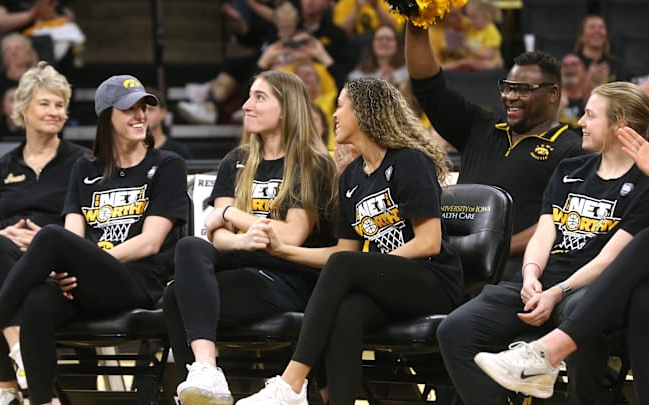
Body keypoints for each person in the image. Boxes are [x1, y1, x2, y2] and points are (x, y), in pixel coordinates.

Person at [0, 73, 188, 405]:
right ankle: (41, 400)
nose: (140, 116)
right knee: (36, 298)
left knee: (50, 237)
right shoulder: (86, 169)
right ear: (107, 117)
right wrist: (66, 267)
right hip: (86, 282)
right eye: (129, 109)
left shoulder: (167, 164)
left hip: (137, 282)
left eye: (144, 108)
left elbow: (150, 242)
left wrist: (83, 260)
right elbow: (73, 234)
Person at [236, 77, 463, 404]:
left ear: (363, 112)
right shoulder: (352, 176)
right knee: (348, 311)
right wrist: (285, 250)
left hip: (433, 281)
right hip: (387, 283)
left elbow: (428, 243)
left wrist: (369, 268)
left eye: (341, 106)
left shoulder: (409, 162)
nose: (335, 115)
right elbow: (344, 251)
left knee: (348, 268)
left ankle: (291, 383)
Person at [439, 81, 649, 404]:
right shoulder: (570, 168)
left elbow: (612, 259)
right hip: (541, 283)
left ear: (620, 125)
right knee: (454, 330)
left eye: (591, 116)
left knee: (585, 326)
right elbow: (543, 234)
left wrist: (557, 291)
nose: (580, 122)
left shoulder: (642, 183)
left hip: (587, 290)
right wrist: (531, 276)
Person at [162, 69, 337, 405]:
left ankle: (208, 380)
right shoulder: (236, 161)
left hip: (288, 280)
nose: (246, 106)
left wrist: (231, 215)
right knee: (187, 253)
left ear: (286, 108)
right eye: (248, 96)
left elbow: (290, 236)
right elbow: (218, 237)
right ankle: (205, 375)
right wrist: (242, 240)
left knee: (178, 299)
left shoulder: (310, 163)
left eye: (260, 98)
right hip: (243, 267)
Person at [404, 22, 583, 279]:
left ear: (553, 94)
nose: (510, 95)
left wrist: (499, 248)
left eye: (523, 89)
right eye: (508, 87)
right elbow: (429, 86)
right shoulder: (480, 127)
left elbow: (563, 221)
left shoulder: (571, 149)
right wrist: (417, 26)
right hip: (452, 264)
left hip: (515, 270)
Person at [0, 62, 87, 405]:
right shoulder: (3, 167)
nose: (55, 112)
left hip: (58, 269)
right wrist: (6, 234)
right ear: (23, 110)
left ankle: (8, 383)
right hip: (6, 263)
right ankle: (20, 356)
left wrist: (45, 240)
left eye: (60, 104)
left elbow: (93, 229)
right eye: (45, 103)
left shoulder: (81, 162)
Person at [0, 32, 38, 112]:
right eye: (8, 49)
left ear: (30, 55)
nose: (13, 53)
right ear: (3, 57)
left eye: (18, 48)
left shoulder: (39, 80)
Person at [442, 0, 503, 71]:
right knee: (460, 62)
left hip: (487, 62)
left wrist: (470, 49)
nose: (470, 21)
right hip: (471, 61)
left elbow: (488, 55)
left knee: (488, 64)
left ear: (486, 16)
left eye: (473, 17)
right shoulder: (472, 28)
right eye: (469, 16)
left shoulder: (491, 31)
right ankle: (442, 68)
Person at [347, 24, 409, 92]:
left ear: (397, 44)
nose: (384, 42)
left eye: (389, 39)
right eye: (379, 39)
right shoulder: (358, 76)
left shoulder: (408, 73)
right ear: (372, 44)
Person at [574, 15, 629, 89]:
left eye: (601, 27)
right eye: (592, 27)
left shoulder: (616, 66)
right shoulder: (571, 64)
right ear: (582, 37)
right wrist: (589, 79)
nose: (597, 31)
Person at [145, 87, 192, 159]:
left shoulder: (179, 151)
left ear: (163, 113)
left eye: (151, 110)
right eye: (142, 110)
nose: (145, 115)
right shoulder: (129, 151)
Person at [0, 0, 75, 35]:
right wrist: (31, 15)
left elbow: (67, 16)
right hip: (13, 42)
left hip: (48, 43)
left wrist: (53, 16)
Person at [558, 53, 590, 129]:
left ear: (584, 71)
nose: (569, 68)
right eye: (564, 65)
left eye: (574, 64)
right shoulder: (552, 98)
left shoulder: (592, 98)